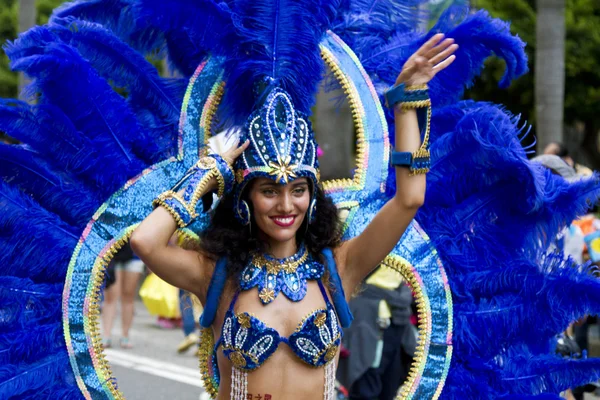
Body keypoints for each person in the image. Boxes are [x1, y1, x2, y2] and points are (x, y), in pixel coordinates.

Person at [130, 35, 457, 399]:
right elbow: (145, 241)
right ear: (245, 198)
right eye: (269, 191)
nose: (286, 205)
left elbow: (409, 200)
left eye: (298, 190)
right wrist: (209, 171)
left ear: (313, 195)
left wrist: (407, 98)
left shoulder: (340, 268)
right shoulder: (217, 273)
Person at [101, 243, 144, 349]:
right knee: (110, 297)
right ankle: (106, 336)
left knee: (128, 297)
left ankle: (125, 336)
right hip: (112, 253)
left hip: (134, 254)